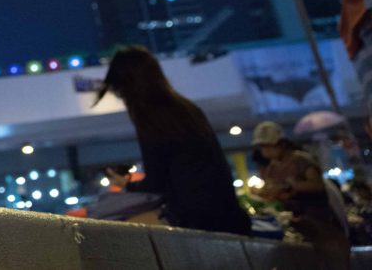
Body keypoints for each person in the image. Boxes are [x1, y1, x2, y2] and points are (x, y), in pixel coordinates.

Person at [95, 46, 251, 235]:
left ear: (129, 87)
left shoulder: (151, 118)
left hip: (195, 217)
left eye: (121, 92)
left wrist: (126, 185)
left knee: (116, 233)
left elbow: (157, 182)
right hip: (227, 213)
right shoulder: (186, 108)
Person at [252, 121, 350, 269]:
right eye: (262, 147)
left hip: (318, 221)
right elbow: (271, 192)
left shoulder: (301, 160)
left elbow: (317, 185)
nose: (265, 151)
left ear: (281, 144)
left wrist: (291, 186)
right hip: (290, 223)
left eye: (268, 146)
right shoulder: (271, 168)